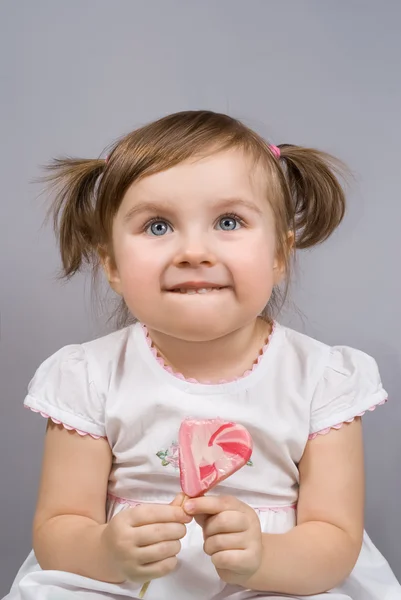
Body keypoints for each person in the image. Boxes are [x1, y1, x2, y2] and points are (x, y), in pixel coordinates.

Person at [4, 110, 400, 600]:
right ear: (111, 263)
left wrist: (262, 560)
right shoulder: (88, 376)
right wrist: (105, 549)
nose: (194, 251)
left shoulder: (321, 378)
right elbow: (59, 526)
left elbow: (333, 540)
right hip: (129, 583)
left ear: (280, 253)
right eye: (157, 226)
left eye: (228, 222)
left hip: (276, 580)